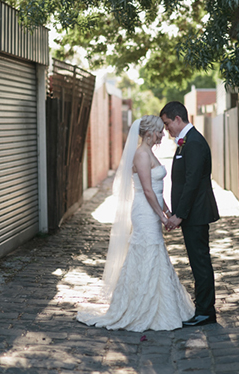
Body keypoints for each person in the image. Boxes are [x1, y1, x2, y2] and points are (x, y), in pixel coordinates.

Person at [77, 115, 194, 331]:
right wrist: (161, 216)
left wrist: (168, 210)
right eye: (159, 131)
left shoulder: (148, 153)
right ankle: (140, 306)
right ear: (150, 133)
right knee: (148, 250)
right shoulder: (141, 154)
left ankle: (160, 303)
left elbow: (157, 192)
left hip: (153, 209)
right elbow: (148, 191)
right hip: (145, 212)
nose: (162, 134)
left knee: (154, 251)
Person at [160, 101, 220, 327]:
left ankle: (205, 312)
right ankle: (203, 308)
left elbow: (192, 183)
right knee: (197, 262)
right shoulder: (186, 142)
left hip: (196, 214)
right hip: (192, 214)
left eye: (167, 124)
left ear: (177, 119)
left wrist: (179, 215)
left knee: (200, 263)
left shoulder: (193, 142)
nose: (167, 130)